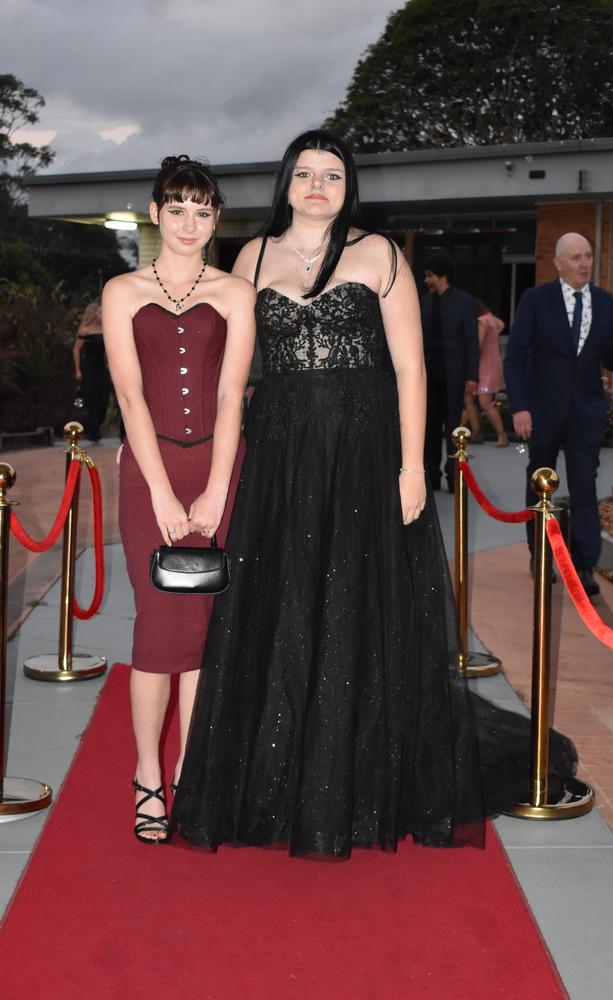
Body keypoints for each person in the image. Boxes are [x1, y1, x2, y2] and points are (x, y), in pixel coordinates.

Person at [172, 130, 577, 859]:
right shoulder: (250, 258)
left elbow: (412, 370)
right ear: (285, 184)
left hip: (363, 454)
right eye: (304, 174)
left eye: (331, 174)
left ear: (347, 184)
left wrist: (413, 468)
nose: (318, 186)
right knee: (286, 604)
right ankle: (275, 779)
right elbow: (231, 380)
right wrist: (212, 477)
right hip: (282, 455)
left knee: (355, 603)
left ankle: (352, 780)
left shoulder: (380, 253)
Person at [102, 156, 255, 843]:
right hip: (149, 475)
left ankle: (192, 774)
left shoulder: (235, 293)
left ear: (215, 218)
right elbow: (130, 397)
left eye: (203, 211)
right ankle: (146, 776)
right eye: (177, 208)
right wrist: (162, 490)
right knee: (156, 629)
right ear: (155, 212)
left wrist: (219, 488)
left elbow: (231, 396)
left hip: (220, 470)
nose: (190, 223)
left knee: (201, 632)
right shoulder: (122, 290)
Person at [504, 233, 613, 598]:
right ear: (558, 263)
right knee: (540, 485)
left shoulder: (605, 303)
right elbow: (516, 357)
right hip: (542, 412)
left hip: (586, 414)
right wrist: (520, 406)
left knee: (584, 487)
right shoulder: (535, 300)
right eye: (576, 257)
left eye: (588, 256)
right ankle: (540, 557)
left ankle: (583, 565)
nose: (585, 263)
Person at [420, 256, 478, 492]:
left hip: (454, 376)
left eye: (429, 275)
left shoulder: (464, 302)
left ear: (441, 275)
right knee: (429, 429)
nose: (426, 280)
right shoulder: (424, 302)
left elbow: (471, 342)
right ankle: (431, 476)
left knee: (455, 430)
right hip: (429, 376)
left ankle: (455, 477)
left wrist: (472, 377)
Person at [463, 300, 509, 447]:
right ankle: (476, 433)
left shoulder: (482, 321)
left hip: (484, 366)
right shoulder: (490, 318)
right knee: (469, 397)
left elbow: (477, 344)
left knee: (485, 402)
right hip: (490, 364)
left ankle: (502, 435)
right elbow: (501, 325)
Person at [72, 302, 111, 441]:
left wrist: (109, 365)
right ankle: (93, 433)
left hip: (101, 367)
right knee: (92, 399)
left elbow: (106, 350)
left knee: (104, 400)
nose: (102, 315)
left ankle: (96, 426)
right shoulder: (85, 330)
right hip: (88, 367)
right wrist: (77, 370)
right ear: (93, 313)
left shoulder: (104, 329)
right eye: (100, 312)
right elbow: (76, 349)